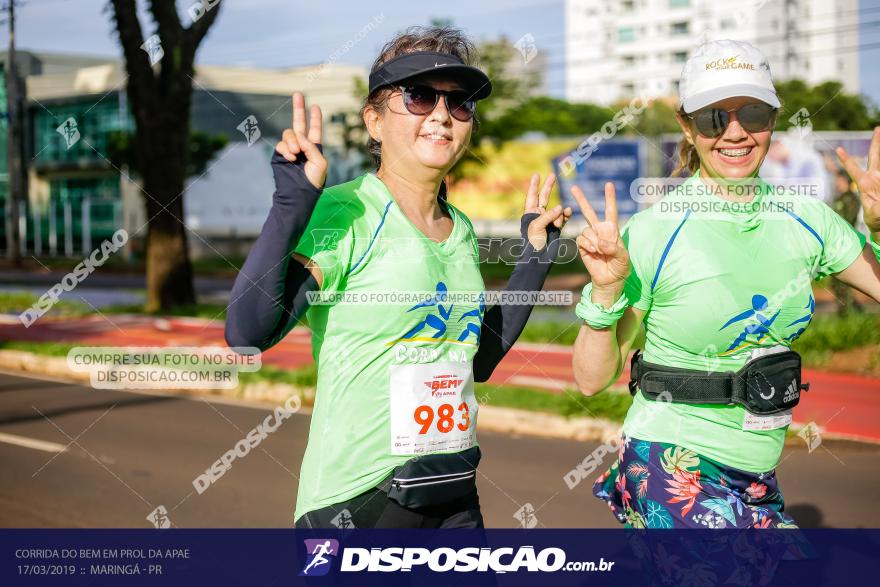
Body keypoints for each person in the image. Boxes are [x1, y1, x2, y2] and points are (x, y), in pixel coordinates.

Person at [224, 26, 572, 528]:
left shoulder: (461, 229)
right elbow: (247, 333)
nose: (440, 115)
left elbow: (478, 360)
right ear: (374, 120)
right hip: (359, 502)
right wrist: (292, 204)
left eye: (459, 103)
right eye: (418, 95)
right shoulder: (346, 211)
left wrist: (535, 258)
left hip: (451, 491)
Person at [569, 39, 880, 529]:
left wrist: (878, 227)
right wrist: (605, 296)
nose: (735, 132)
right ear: (687, 128)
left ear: (773, 119)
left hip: (757, 474)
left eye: (753, 113)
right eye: (714, 117)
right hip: (670, 463)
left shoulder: (806, 218)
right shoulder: (655, 232)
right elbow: (589, 381)